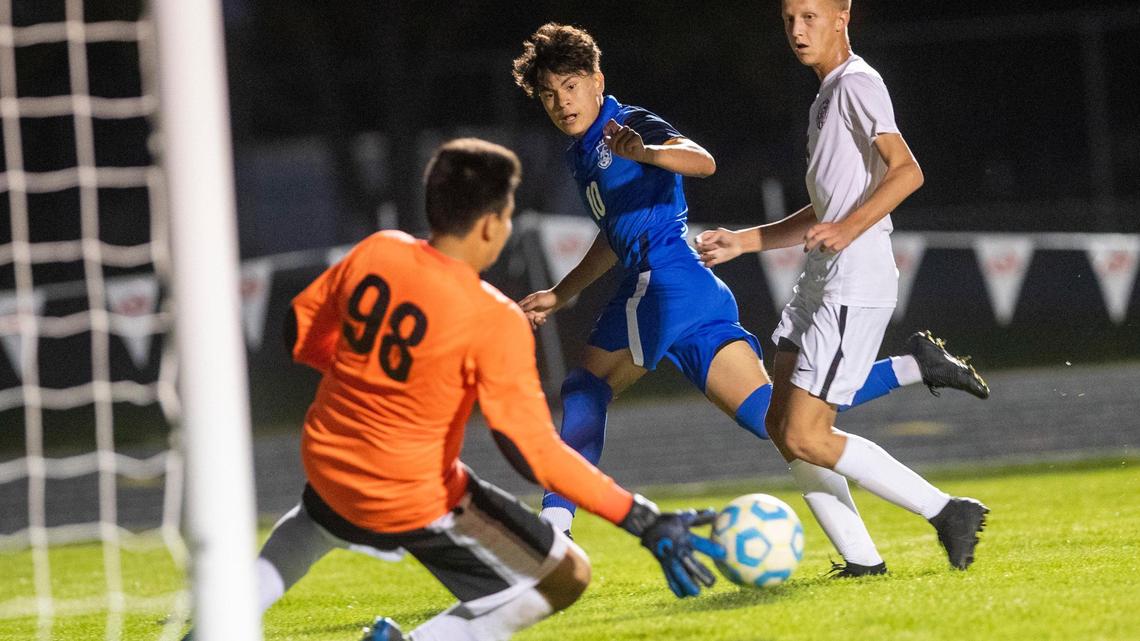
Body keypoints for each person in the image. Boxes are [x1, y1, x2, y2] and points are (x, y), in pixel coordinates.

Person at [195, 139, 723, 641]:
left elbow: (299, 330)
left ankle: (214, 624)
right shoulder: (492, 317)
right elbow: (532, 451)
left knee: (317, 522)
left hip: (329, 463)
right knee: (566, 575)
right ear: (493, 224)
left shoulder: (378, 251)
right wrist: (642, 518)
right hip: (407, 495)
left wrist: (366, 377)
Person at [511, 22, 987, 543]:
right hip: (691, 293)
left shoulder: (626, 123)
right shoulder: (580, 153)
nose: (562, 103)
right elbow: (613, 232)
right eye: (549, 95)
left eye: (571, 86)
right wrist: (564, 291)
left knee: (585, 386)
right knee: (772, 418)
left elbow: (702, 161)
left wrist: (643, 151)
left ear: (597, 79)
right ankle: (913, 367)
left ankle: (555, 526)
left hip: (662, 286)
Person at [695, 0, 989, 575]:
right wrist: (746, 241)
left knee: (807, 432)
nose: (797, 30)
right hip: (822, 276)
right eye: (788, 20)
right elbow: (827, 209)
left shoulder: (857, 83)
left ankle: (948, 510)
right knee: (781, 427)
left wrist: (848, 228)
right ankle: (860, 560)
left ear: (841, 17)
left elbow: (908, 171)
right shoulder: (826, 93)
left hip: (856, 278)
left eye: (810, 17)